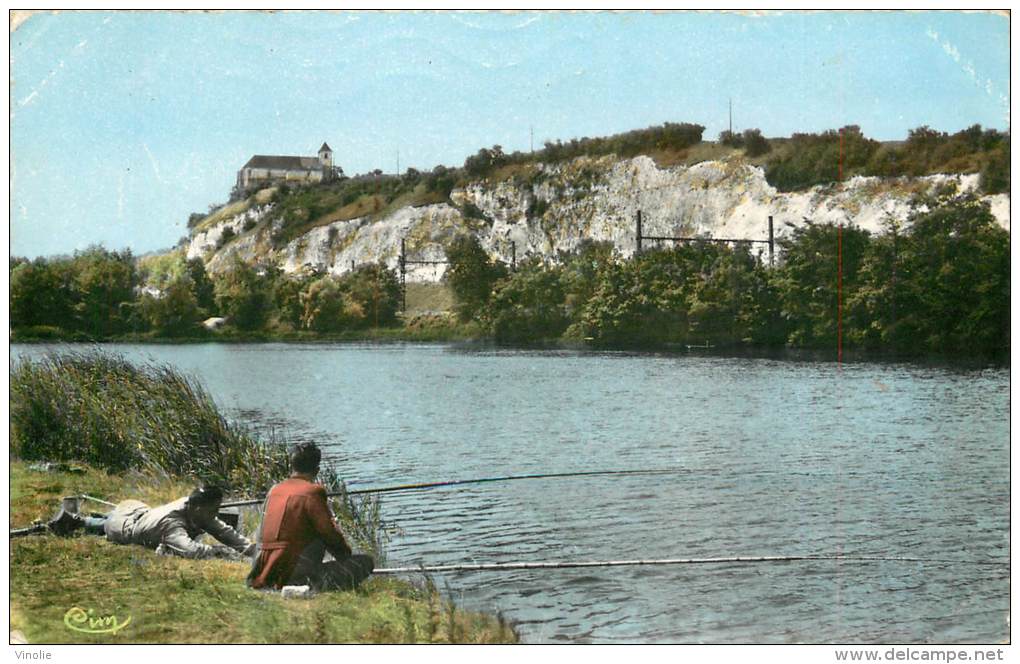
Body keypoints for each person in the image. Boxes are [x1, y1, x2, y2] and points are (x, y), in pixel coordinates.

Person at [247, 442, 374, 591]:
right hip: (292, 576)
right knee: (365, 562)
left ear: (292, 467)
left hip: (262, 572)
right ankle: (312, 585)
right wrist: (345, 556)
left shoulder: (274, 490)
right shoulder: (312, 492)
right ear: (317, 470)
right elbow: (329, 533)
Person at [48, 485, 254, 560]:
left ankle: (97, 517)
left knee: (113, 517)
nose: (217, 514)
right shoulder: (173, 524)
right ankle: (79, 521)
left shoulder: (191, 505)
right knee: (105, 525)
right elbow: (192, 550)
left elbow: (222, 530)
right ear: (199, 509)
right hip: (126, 527)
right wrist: (222, 551)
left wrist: (250, 549)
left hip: (137, 509)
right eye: (214, 510)